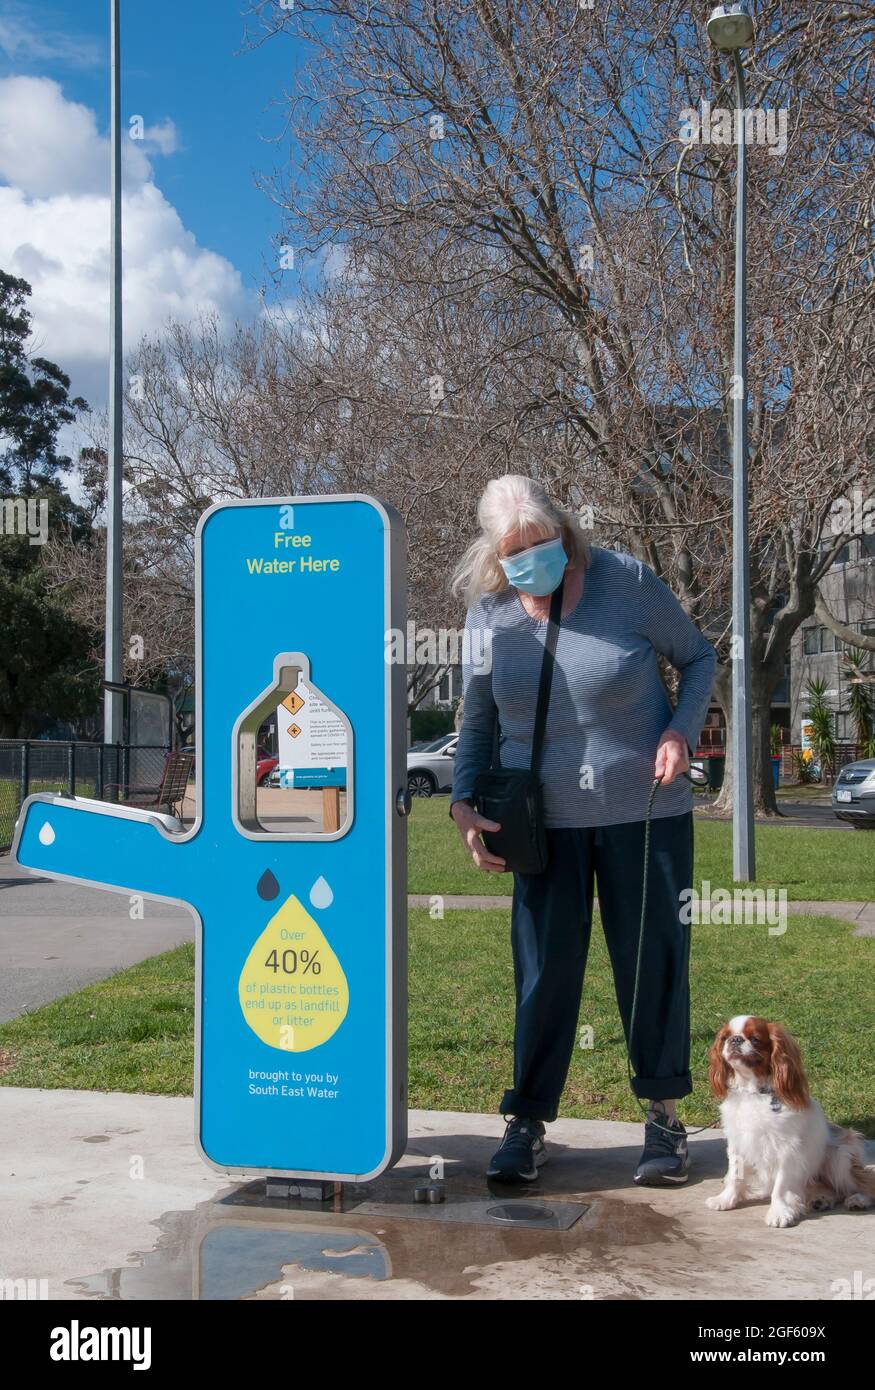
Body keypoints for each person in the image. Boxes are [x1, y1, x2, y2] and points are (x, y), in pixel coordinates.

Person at [450, 475, 717, 1185]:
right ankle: (526, 1121)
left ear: (565, 533)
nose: (533, 558)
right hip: (540, 823)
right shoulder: (488, 616)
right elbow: (476, 722)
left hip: (645, 811)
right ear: (493, 553)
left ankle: (663, 1120)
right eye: (516, 550)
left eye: (543, 543)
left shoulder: (624, 582)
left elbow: (698, 659)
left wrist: (678, 732)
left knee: (649, 962)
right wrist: (462, 804)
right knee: (542, 972)